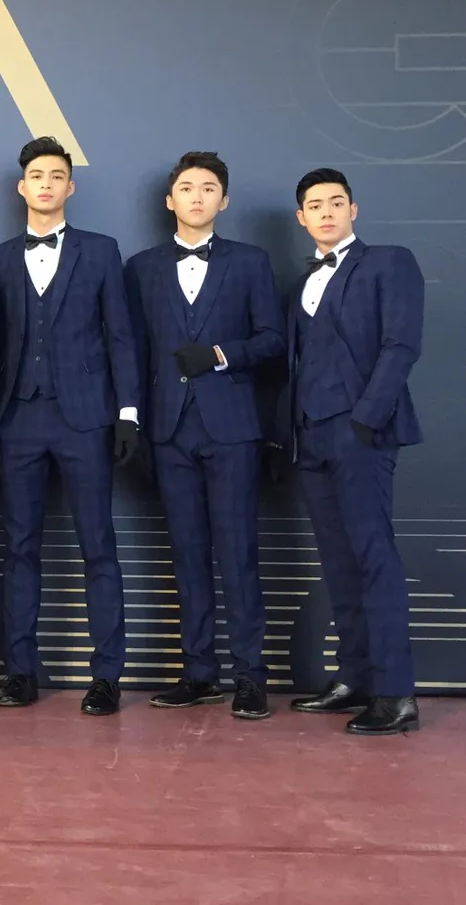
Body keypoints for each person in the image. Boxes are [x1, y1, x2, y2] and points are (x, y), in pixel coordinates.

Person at [0, 136, 141, 716]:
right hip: (18, 417)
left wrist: (127, 412)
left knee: (98, 547)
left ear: (70, 187)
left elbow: (121, 335)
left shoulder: (101, 251)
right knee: (19, 547)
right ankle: (20, 672)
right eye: (36, 176)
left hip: (86, 417)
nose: (45, 184)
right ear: (21, 187)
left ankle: (107, 676)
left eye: (56, 176)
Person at [123, 152, 283, 721]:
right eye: (187, 188)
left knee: (238, 553)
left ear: (224, 200)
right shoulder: (140, 267)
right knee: (186, 555)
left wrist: (218, 354)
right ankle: (198, 672)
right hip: (168, 429)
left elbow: (273, 339)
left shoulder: (251, 261)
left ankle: (251, 677)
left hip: (233, 428)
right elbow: (132, 350)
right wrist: (135, 422)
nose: (197, 196)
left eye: (208, 187)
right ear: (169, 200)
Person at [278, 169, 423, 735]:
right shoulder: (302, 283)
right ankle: (356, 677)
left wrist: (366, 418)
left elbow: (401, 344)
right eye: (315, 205)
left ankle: (395, 692)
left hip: (361, 431)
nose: (326, 212)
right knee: (338, 563)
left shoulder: (390, 261)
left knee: (373, 557)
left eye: (336, 202)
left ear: (353, 210)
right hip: (311, 436)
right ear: (302, 218)